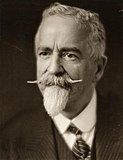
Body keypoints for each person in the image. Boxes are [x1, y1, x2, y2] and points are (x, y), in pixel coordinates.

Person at [0, 2, 123, 160]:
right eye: (45, 53)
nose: (53, 69)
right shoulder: (10, 139)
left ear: (98, 69)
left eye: (70, 55)